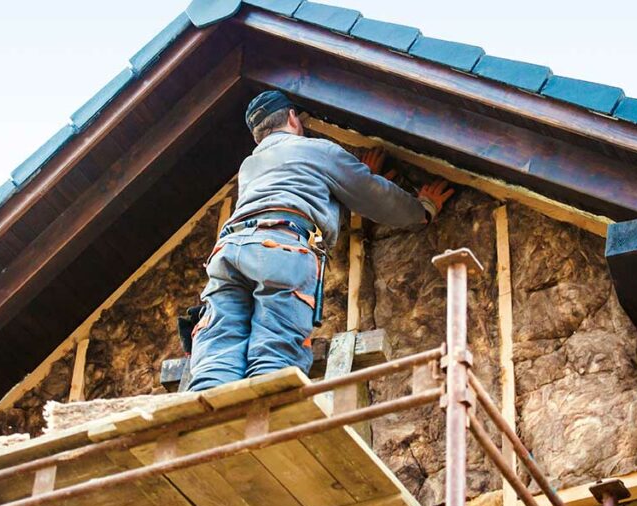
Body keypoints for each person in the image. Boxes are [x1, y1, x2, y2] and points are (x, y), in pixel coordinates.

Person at [186, 90, 454, 391]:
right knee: (275, 349)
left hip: (229, 251)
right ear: (291, 117)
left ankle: (205, 420)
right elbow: (371, 194)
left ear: (258, 136)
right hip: (281, 248)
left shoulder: (250, 166)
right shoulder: (318, 150)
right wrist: (423, 209)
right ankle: (267, 426)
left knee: (219, 347)